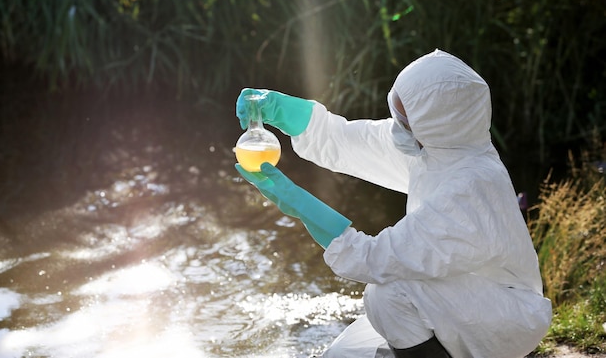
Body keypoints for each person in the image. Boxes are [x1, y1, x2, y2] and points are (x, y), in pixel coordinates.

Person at [235, 49, 552, 358]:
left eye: (404, 119)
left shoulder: (469, 189)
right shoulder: (437, 150)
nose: (395, 125)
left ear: (434, 122)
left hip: (506, 317)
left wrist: (300, 205)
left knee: (388, 294)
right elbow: (345, 142)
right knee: (343, 352)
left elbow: (372, 260)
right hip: (461, 296)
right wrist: (282, 109)